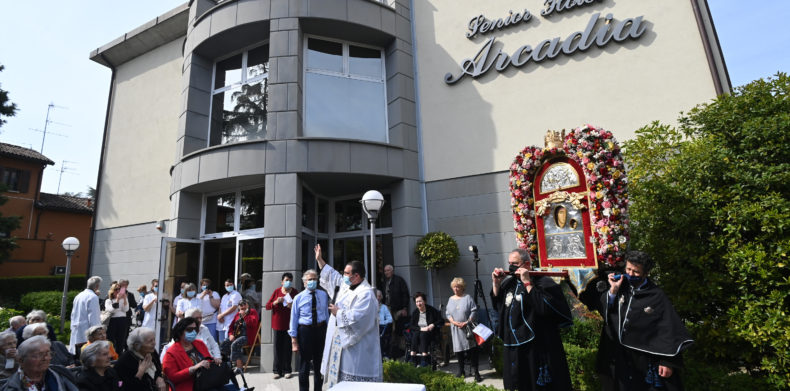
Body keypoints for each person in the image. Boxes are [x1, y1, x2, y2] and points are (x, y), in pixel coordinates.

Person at [594, 251, 693, 391]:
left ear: (646, 273)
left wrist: (667, 362)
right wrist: (613, 291)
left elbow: (669, 328)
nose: (630, 274)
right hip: (618, 355)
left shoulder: (656, 295)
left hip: (643, 358)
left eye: (636, 272)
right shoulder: (619, 285)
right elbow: (606, 311)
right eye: (628, 269)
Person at [491, 248, 573, 391]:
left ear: (527, 264)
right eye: (509, 263)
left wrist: (528, 283)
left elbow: (544, 308)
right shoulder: (508, 283)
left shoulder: (543, 282)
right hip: (514, 345)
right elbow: (499, 306)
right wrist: (496, 284)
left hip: (536, 346)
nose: (511, 267)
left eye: (515, 263)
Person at [315, 244, 382, 387]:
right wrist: (320, 260)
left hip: (357, 351)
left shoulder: (366, 294)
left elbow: (359, 319)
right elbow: (333, 276)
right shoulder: (347, 285)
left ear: (356, 276)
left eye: (346, 273)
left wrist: (338, 313)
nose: (343, 275)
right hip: (339, 348)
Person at [288, 269, 328, 391]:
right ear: (304, 282)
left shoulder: (323, 295)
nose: (312, 281)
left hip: (320, 330)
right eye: (309, 279)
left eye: (314, 279)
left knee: (319, 363)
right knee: (304, 363)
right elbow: (293, 319)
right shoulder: (298, 298)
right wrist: (294, 340)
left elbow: (326, 314)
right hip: (305, 331)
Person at [161, 317, 223, 391]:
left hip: (207, 383)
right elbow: (172, 377)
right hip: (188, 386)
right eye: (189, 330)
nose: (193, 332)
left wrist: (214, 361)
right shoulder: (171, 353)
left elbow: (208, 360)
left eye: (195, 329)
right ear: (180, 331)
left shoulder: (199, 343)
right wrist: (194, 368)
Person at [1, 335, 78, 391]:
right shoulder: (12, 386)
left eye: (48, 353)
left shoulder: (60, 373)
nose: (46, 358)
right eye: (39, 355)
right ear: (21, 360)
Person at [446, 277, 482, 382]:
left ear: (462, 288)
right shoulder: (450, 299)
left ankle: (476, 372)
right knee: (459, 351)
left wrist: (467, 322)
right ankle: (461, 370)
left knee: (472, 350)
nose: (456, 289)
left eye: (458, 287)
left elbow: (474, 310)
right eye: (454, 287)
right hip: (456, 329)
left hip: (468, 328)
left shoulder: (467, 297)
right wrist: (453, 322)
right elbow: (448, 313)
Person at [265, 272, 298, 379]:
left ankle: (287, 370)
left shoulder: (295, 292)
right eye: (286, 280)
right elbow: (267, 306)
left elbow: (299, 308)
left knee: (288, 348)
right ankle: (277, 371)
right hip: (277, 324)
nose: (288, 282)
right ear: (282, 281)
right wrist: (275, 302)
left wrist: (291, 306)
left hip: (290, 325)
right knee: (277, 348)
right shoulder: (277, 291)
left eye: (290, 280)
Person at [220, 300, 259, 372]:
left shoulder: (252, 312)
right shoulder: (237, 314)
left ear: (248, 306)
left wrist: (245, 316)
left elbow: (254, 323)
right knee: (224, 343)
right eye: (241, 308)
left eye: (244, 307)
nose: (243, 309)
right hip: (237, 336)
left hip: (247, 336)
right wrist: (231, 334)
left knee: (235, 343)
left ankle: (239, 367)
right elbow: (231, 327)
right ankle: (226, 364)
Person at [408, 292, 443, 367]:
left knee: (423, 335)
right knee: (415, 334)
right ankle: (413, 357)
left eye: (420, 301)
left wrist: (433, 324)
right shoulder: (415, 312)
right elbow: (411, 326)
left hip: (430, 332)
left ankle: (424, 358)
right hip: (419, 331)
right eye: (417, 302)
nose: (418, 303)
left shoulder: (431, 310)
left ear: (424, 301)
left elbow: (441, 320)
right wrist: (421, 328)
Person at [70, 276, 103, 354]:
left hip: (76, 328)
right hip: (86, 331)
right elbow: (94, 317)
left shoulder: (78, 295)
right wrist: (97, 333)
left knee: (76, 354)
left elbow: (73, 313)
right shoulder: (93, 297)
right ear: (97, 286)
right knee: (86, 356)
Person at [383, 264, 410, 358]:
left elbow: (405, 294)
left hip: (398, 309)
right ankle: (392, 351)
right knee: (390, 329)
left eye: (388, 270)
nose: (386, 272)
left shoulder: (399, 280)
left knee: (398, 330)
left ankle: (400, 351)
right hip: (388, 309)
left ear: (392, 271)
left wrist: (404, 308)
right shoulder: (385, 282)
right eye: (385, 271)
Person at [105, 282, 130, 355]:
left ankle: (119, 355)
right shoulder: (108, 300)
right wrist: (118, 300)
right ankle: (111, 355)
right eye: (116, 289)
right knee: (111, 339)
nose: (118, 291)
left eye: (119, 289)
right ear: (112, 291)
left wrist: (125, 299)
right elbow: (112, 310)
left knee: (121, 339)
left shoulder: (124, 299)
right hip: (112, 321)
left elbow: (126, 309)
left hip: (122, 320)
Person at [217, 279, 242, 344]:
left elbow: (234, 307)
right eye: (227, 285)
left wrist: (222, 315)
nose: (228, 286)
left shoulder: (236, 294)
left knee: (229, 341)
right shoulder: (224, 296)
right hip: (222, 322)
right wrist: (219, 316)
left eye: (230, 285)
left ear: (233, 285)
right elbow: (220, 307)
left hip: (231, 320)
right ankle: (223, 354)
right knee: (221, 342)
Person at [119, 279, 137, 345]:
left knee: (125, 335)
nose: (124, 286)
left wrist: (127, 299)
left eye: (125, 285)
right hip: (117, 317)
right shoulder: (115, 293)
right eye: (122, 285)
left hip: (126, 318)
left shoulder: (130, 294)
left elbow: (134, 305)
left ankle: (125, 348)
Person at [376, 290, 393, 359]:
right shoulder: (369, 307)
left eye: (379, 296)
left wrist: (381, 322)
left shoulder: (384, 307)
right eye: (376, 296)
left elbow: (390, 319)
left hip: (382, 328)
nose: (378, 298)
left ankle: (384, 355)